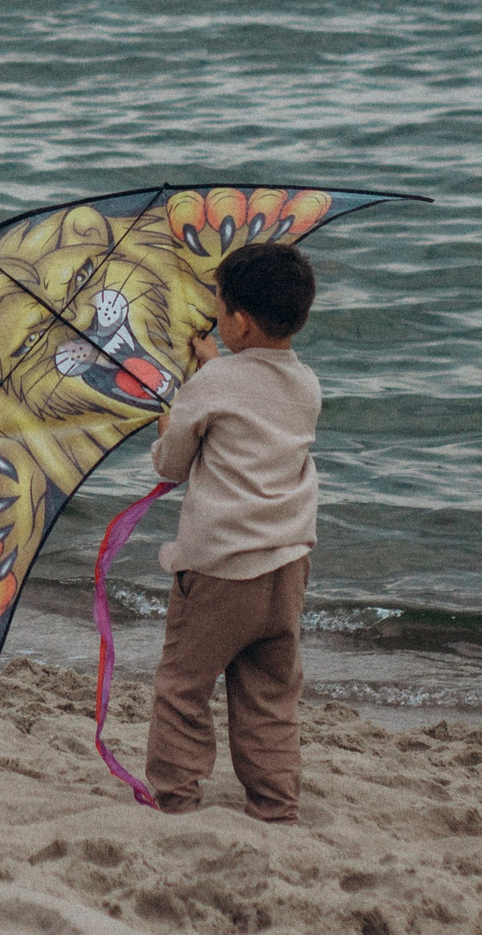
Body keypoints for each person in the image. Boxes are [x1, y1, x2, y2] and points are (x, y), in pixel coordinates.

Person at [143, 241, 321, 821]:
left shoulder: (212, 386)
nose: (217, 317)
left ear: (238, 322)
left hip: (221, 569)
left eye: (220, 308)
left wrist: (174, 419)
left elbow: (172, 464)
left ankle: (175, 796)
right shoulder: (307, 385)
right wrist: (214, 365)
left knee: (182, 687)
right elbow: (251, 402)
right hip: (287, 566)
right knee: (270, 697)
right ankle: (275, 804)